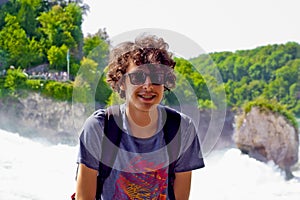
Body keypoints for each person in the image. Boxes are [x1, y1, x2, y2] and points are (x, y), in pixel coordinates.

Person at [75, 34, 205, 200]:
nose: (148, 85)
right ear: (121, 82)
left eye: (157, 77)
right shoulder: (99, 127)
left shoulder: (181, 128)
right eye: (138, 77)